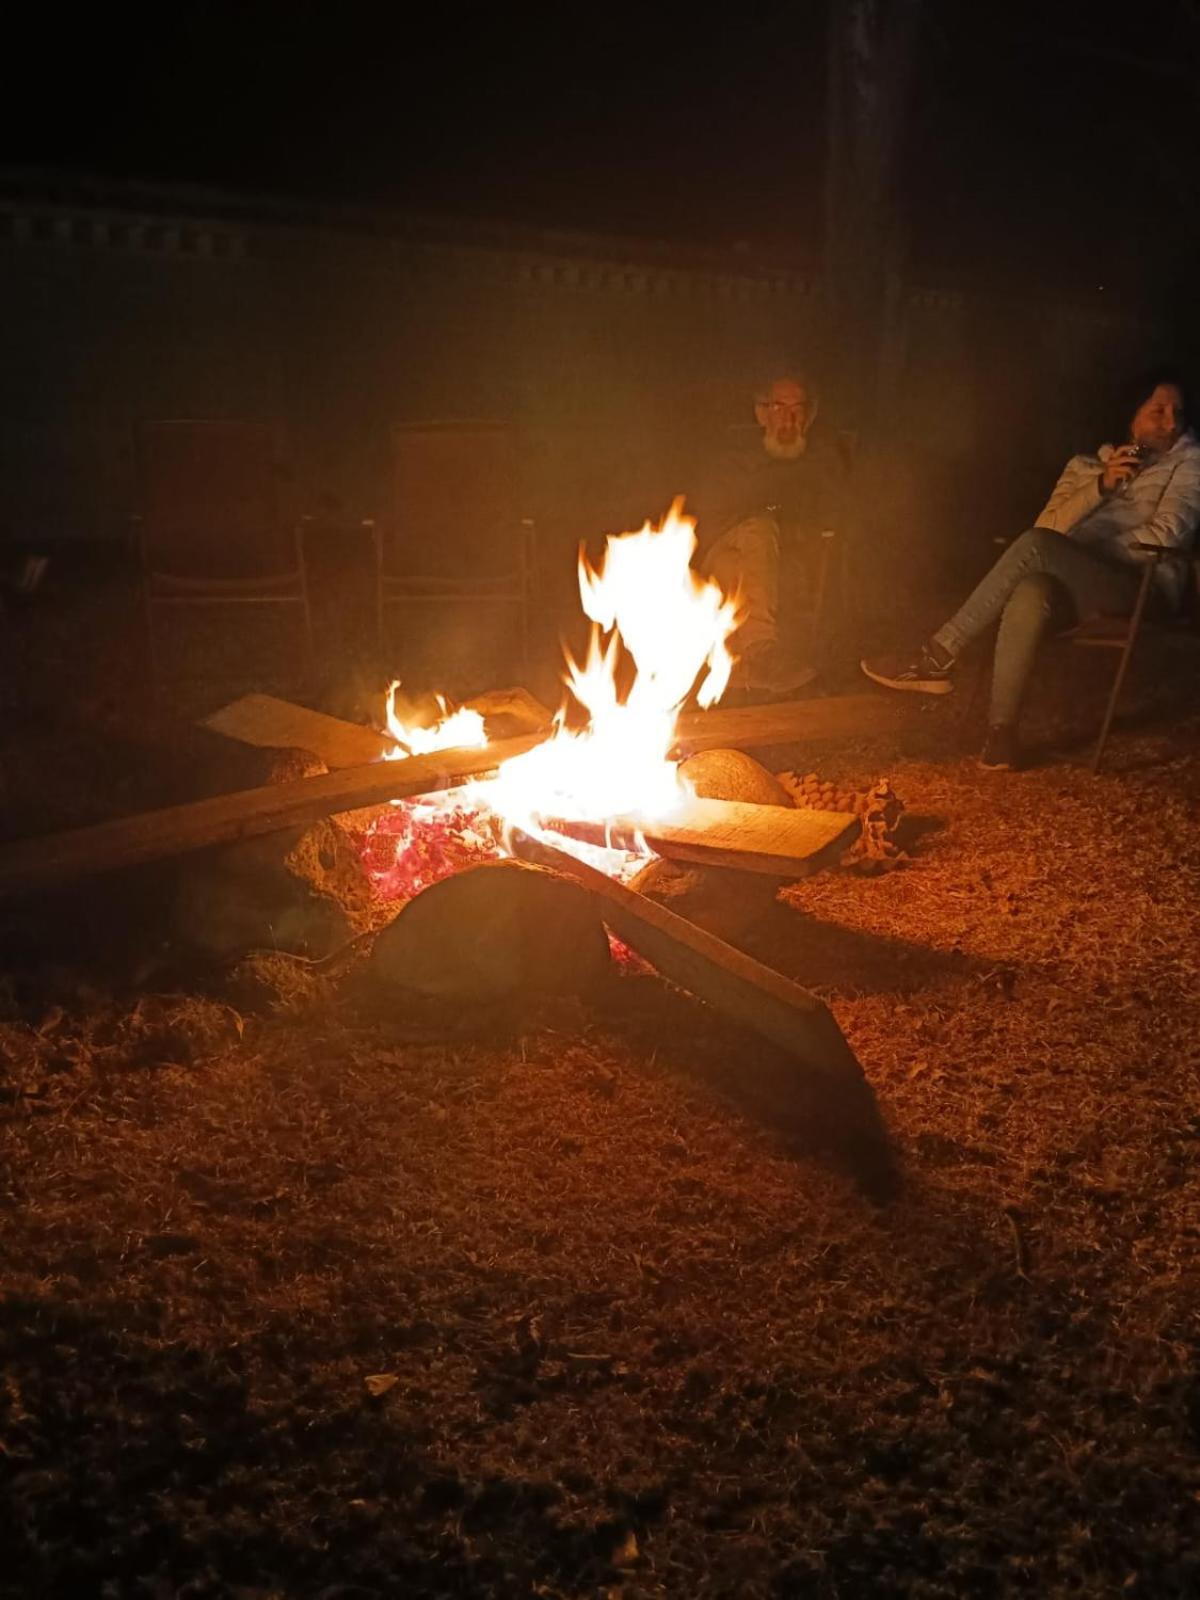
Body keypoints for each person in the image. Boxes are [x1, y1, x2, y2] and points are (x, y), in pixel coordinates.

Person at [861, 368, 1200, 769]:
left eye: (1177, 411)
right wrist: (1100, 488)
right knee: (1032, 589)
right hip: (1073, 584)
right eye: (1158, 410)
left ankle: (937, 655)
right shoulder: (1084, 466)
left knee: (1040, 550)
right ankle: (1002, 735)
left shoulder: (1189, 462)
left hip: (1142, 587)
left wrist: (1075, 552)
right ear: (1130, 415)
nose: (1171, 422)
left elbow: (1164, 537)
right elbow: (1047, 528)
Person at [692, 370, 846, 696]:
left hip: (780, 557)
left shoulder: (821, 458)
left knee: (739, 566)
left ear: (808, 414)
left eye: (797, 408)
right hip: (726, 543)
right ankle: (762, 649)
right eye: (778, 407)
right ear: (762, 413)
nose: (788, 417)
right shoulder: (736, 453)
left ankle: (746, 665)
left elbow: (832, 508)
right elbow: (718, 504)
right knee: (756, 529)